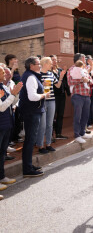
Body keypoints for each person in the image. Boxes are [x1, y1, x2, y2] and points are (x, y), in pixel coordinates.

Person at [19, 57, 50, 177]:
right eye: (38, 63)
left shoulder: (31, 76)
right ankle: (27, 169)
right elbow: (32, 97)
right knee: (30, 140)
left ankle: (29, 165)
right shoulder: (31, 77)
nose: (40, 66)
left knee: (30, 140)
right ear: (31, 65)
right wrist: (44, 95)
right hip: (31, 112)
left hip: (31, 111)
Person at [0, 65, 22, 196]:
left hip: (6, 124)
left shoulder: (2, 86)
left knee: (2, 152)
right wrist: (12, 94)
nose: (5, 74)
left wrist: (16, 93)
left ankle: (2, 176)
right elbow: (2, 107)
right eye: (2, 72)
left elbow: (12, 102)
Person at [36, 57, 66, 154]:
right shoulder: (37, 74)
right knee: (43, 125)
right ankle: (40, 146)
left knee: (50, 124)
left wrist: (61, 77)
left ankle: (48, 144)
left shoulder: (51, 74)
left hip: (52, 100)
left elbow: (57, 85)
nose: (52, 64)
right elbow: (34, 88)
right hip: (42, 101)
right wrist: (41, 84)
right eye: (50, 63)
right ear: (45, 63)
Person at [67, 53, 93, 144]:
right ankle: (77, 135)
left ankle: (82, 132)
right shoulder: (71, 69)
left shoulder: (84, 69)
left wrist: (88, 80)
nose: (85, 60)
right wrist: (82, 80)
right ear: (81, 59)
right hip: (77, 95)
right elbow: (70, 81)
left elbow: (91, 80)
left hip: (86, 95)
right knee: (78, 116)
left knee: (85, 115)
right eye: (84, 58)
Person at [50, 55, 70, 140]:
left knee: (60, 115)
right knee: (52, 116)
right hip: (53, 96)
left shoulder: (60, 70)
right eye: (53, 60)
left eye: (55, 60)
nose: (55, 61)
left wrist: (68, 92)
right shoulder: (49, 72)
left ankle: (58, 133)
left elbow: (65, 82)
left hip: (62, 95)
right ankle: (50, 135)